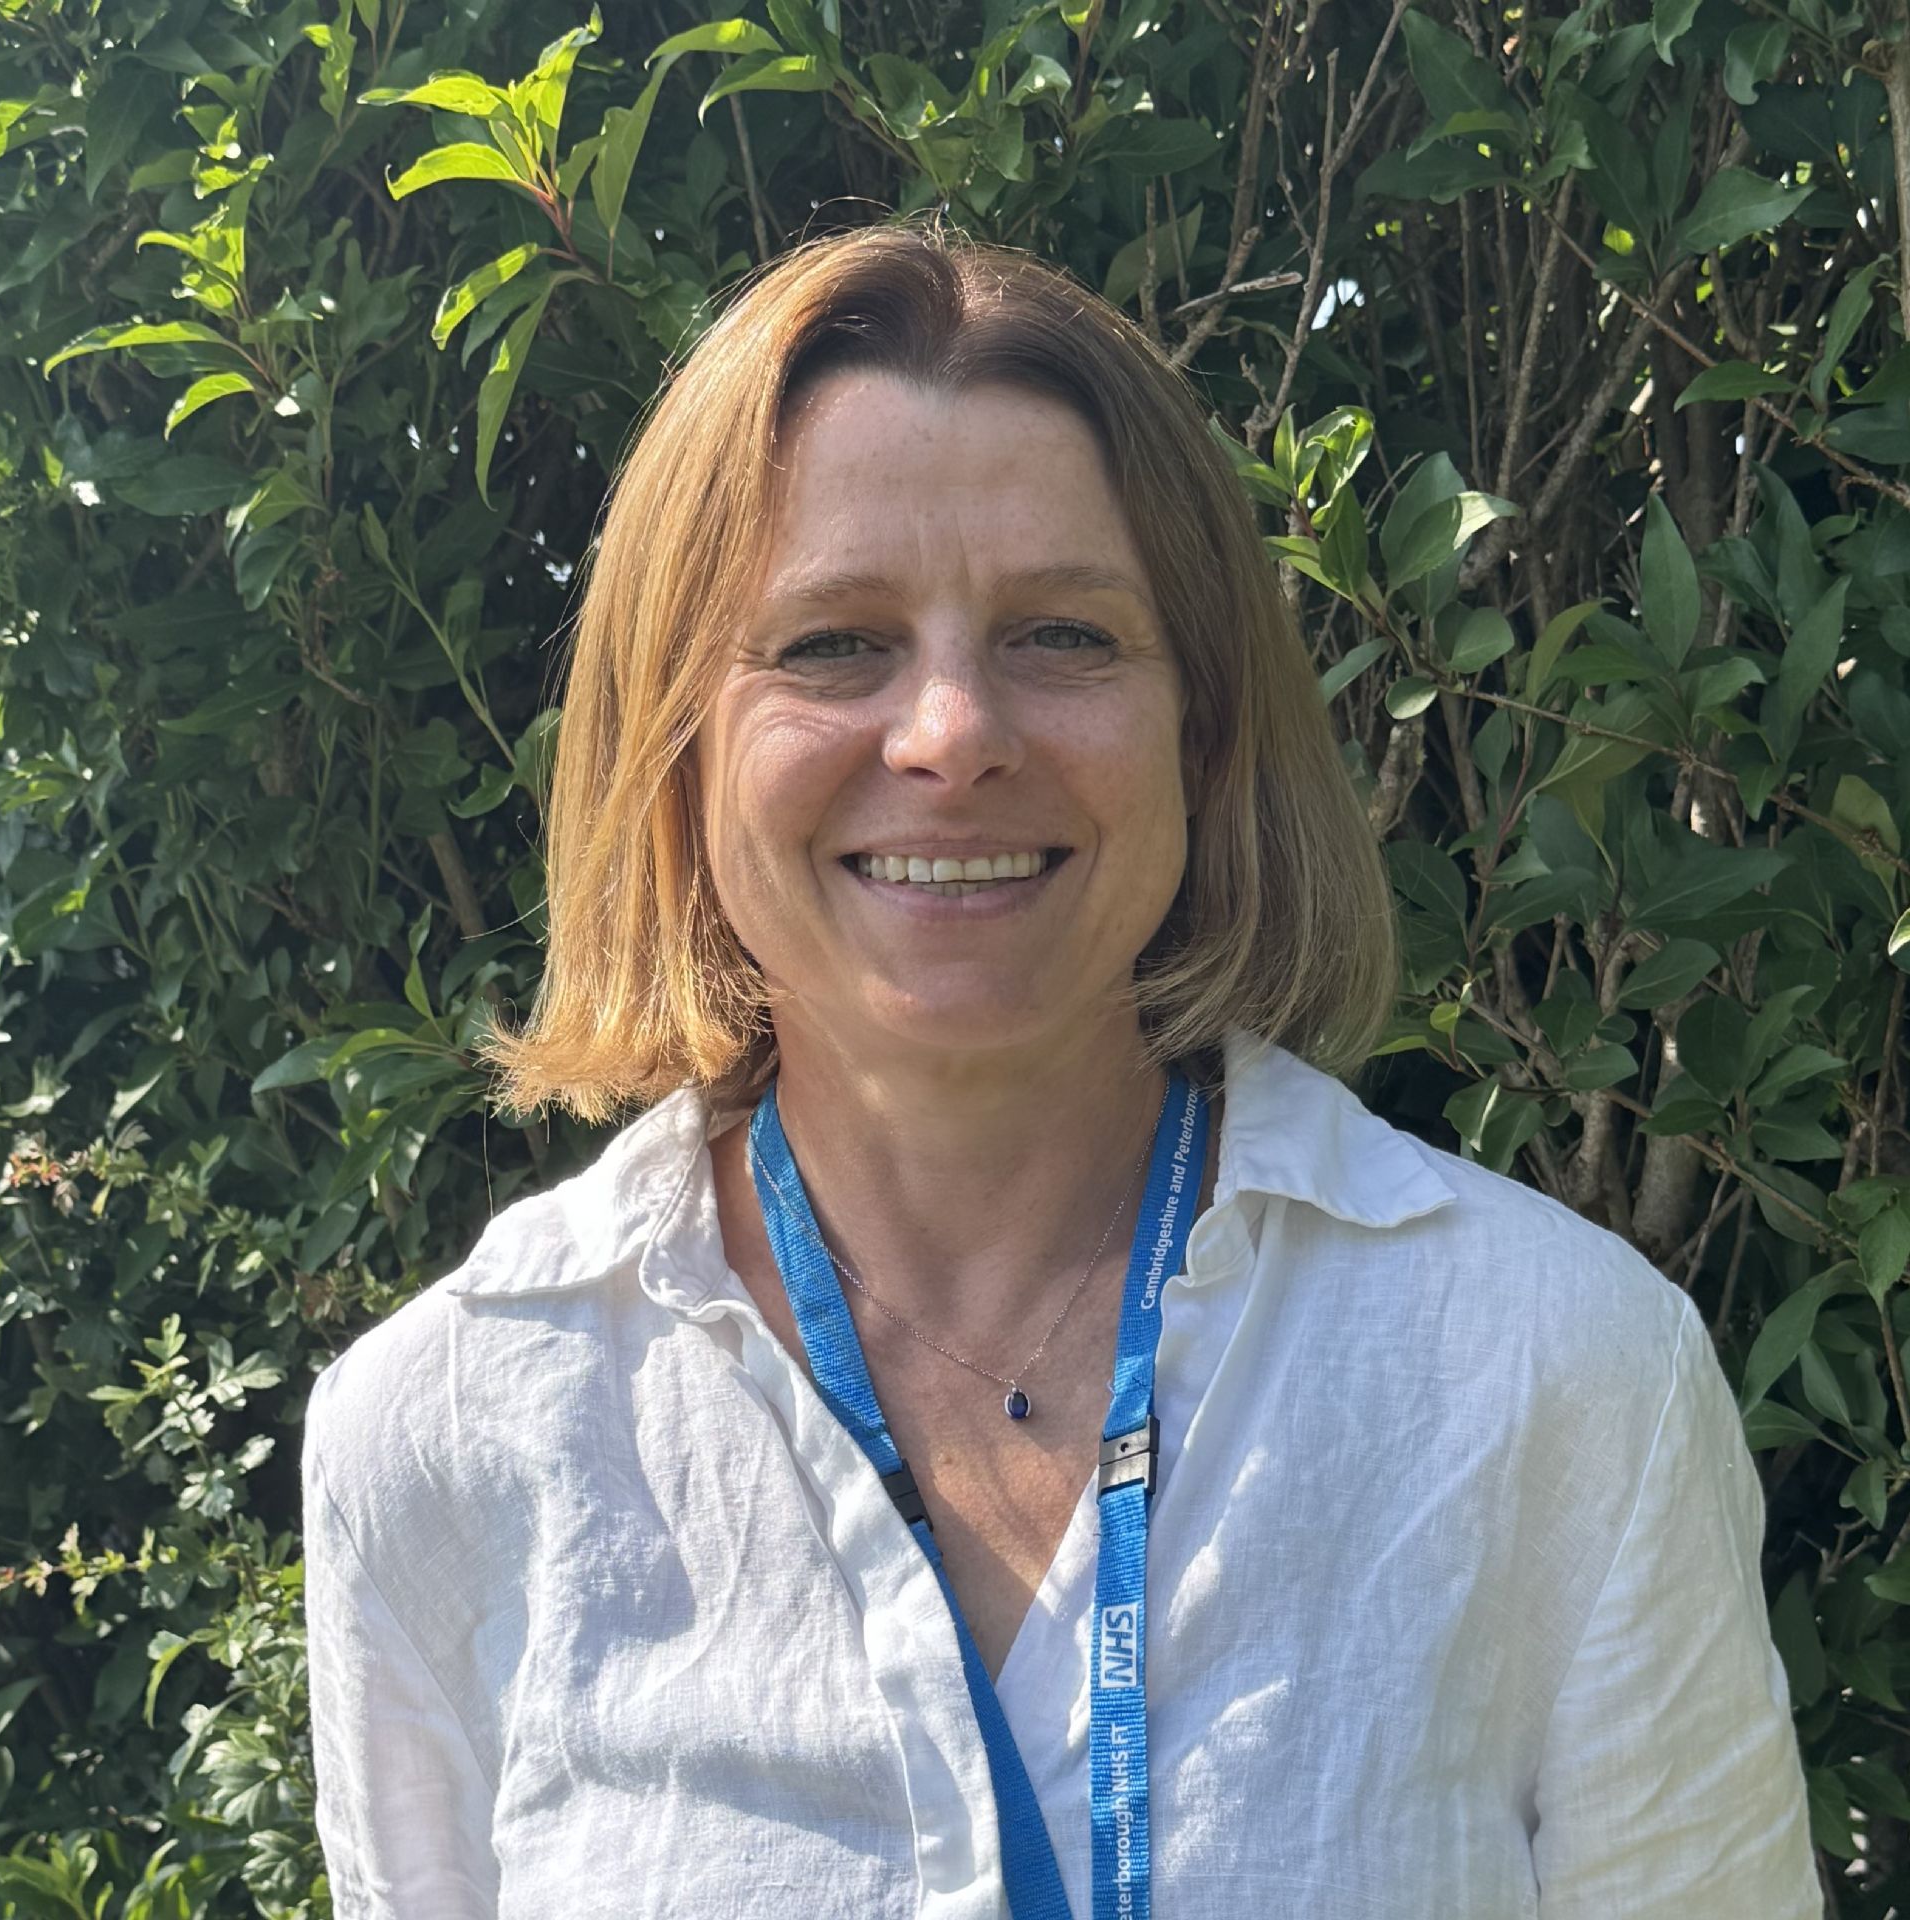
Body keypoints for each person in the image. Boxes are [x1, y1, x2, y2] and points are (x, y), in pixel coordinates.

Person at [300, 217, 1821, 1918]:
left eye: (1064, 635)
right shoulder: (446, 1440)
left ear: (1201, 729)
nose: (952, 732)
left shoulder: (1559, 1381)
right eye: (832, 643)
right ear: (677, 749)